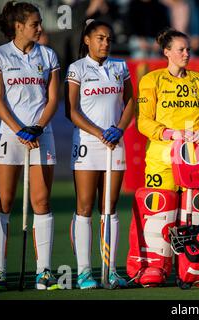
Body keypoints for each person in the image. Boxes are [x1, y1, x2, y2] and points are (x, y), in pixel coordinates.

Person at [135, 28, 199, 287]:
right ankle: (157, 267)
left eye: (187, 49)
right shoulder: (151, 80)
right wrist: (167, 133)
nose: (186, 53)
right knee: (159, 213)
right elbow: (143, 120)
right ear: (166, 52)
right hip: (161, 158)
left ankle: (194, 268)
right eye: (180, 49)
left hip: (196, 157)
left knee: (196, 214)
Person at [0, 1, 61, 291]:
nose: (40, 28)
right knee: (3, 202)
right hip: (10, 135)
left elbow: (53, 99)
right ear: (18, 26)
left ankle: (44, 271)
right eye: (35, 23)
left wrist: (37, 128)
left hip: (41, 135)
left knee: (42, 202)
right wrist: (20, 129)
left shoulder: (48, 55)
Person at [65, 19, 134, 289]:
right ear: (87, 40)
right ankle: (84, 272)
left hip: (114, 143)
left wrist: (118, 129)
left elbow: (130, 102)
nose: (105, 43)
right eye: (100, 38)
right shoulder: (77, 68)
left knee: (110, 206)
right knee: (84, 206)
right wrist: (98, 132)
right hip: (87, 144)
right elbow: (71, 111)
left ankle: (110, 269)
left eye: (108, 39)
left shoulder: (120, 67)